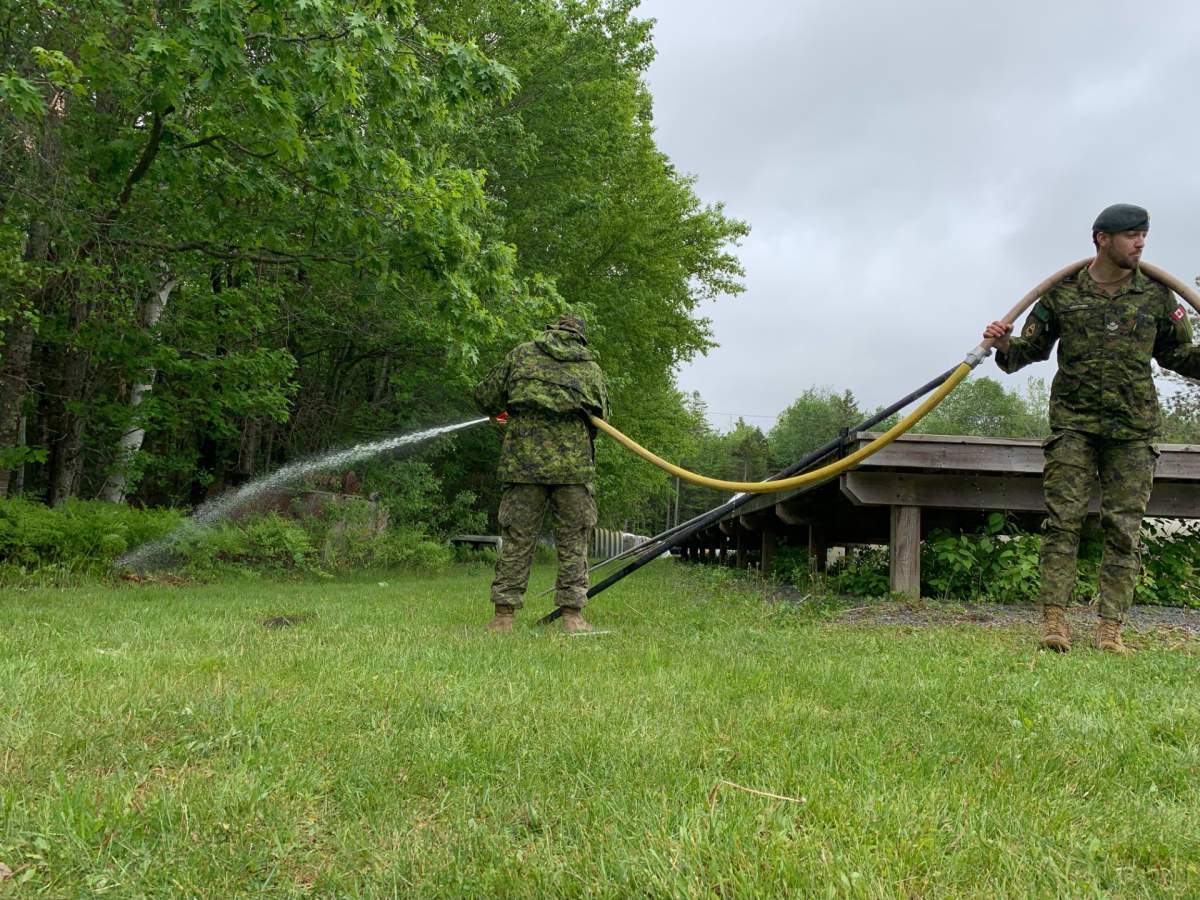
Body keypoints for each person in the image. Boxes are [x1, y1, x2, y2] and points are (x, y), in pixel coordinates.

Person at [983, 204, 1200, 653]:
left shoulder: (1158, 297)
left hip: (1133, 429)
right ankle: (1054, 624)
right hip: (1074, 426)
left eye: (1144, 235)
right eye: (1131, 235)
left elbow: (1179, 357)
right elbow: (1028, 351)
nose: (1141, 243)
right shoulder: (1062, 293)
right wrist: (1005, 345)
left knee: (1124, 528)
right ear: (1101, 238)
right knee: (1063, 523)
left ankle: (1110, 630)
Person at [474, 312, 610, 633]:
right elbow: (603, 419)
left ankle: (503, 617)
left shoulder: (520, 355)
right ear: (581, 337)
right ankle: (572, 617)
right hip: (573, 469)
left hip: (523, 464)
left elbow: (484, 397)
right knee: (574, 540)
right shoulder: (590, 369)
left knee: (517, 539)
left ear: (550, 330)